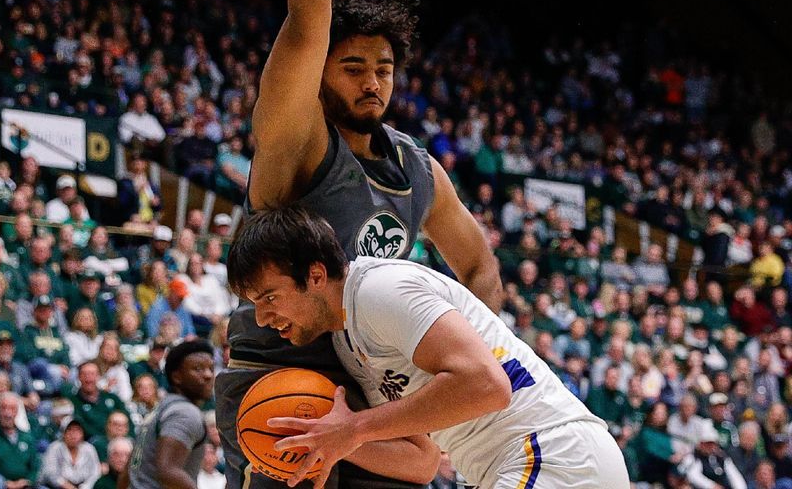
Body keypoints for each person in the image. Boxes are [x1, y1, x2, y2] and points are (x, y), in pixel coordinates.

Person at [215, 0, 501, 488]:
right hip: (282, 364)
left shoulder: (420, 171)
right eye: (352, 68)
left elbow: (478, 265)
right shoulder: (298, 140)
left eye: (384, 69)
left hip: (368, 380)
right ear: (319, 71)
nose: (372, 83)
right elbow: (304, 21)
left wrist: (469, 354)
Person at [227, 206, 629, 489]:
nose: (262, 318)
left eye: (269, 298)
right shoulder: (348, 341)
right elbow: (422, 462)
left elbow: (487, 385)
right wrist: (334, 442)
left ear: (315, 276)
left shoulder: (379, 291)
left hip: (551, 452)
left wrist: (355, 428)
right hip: (512, 465)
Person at [119, 340, 214, 489]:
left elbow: (126, 474)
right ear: (177, 377)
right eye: (197, 369)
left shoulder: (160, 408)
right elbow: (168, 471)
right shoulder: (185, 412)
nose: (208, 375)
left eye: (211, 368)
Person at [0, 392, 41, 489]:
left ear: (17, 411)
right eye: (4, 408)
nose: (7, 413)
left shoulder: (27, 437)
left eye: (12, 408)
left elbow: (35, 465)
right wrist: (6, 483)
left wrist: (27, 481)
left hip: (24, 485)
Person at [40, 417, 101, 489]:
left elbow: (95, 473)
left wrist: (85, 487)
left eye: (77, 430)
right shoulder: (55, 447)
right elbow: (50, 474)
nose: (73, 434)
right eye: (69, 430)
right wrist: (68, 487)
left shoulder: (89, 449)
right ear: (63, 433)